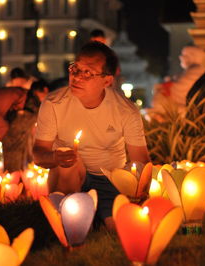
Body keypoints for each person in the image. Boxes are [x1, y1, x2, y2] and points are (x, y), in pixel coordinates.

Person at [32, 41, 150, 230]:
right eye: (75, 68)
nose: (77, 77)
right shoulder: (54, 104)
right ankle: (67, 216)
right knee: (68, 160)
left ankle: (96, 213)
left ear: (107, 80)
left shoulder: (125, 111)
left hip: (109, 179)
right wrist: (55, 157)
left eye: (88, 72)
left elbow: (140, 161)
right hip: (69, 176)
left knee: (118, 227)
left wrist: (139, 195)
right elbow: (39, 153)